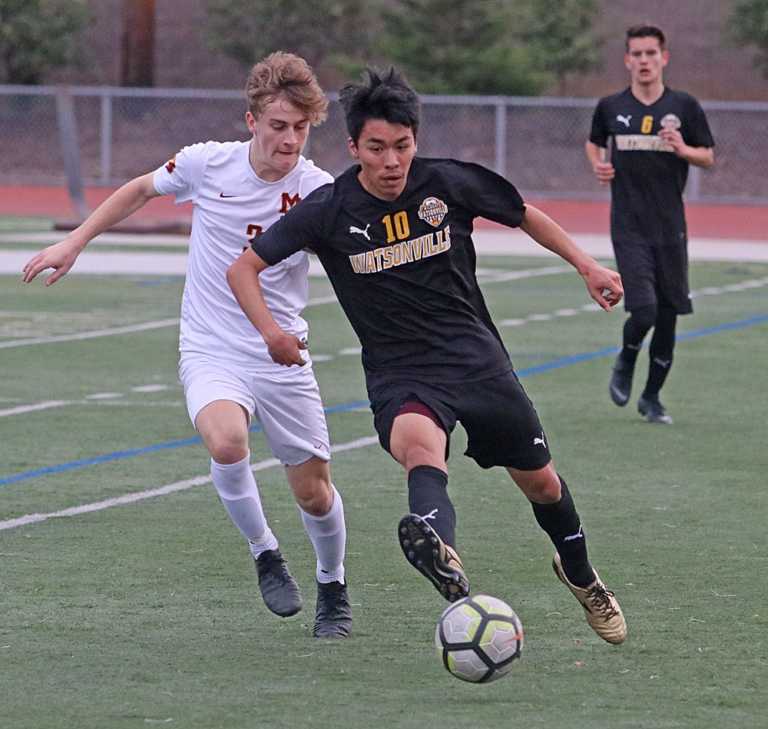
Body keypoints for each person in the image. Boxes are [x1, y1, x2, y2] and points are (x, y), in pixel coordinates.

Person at [227, 67, 628, 644]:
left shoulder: (449, 183)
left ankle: (583, 575)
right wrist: (271, 333)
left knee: (542, 485)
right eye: (376, 148)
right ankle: (442, 550)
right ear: (352, 147)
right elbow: (244, 267)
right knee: (421, 450)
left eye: (402, 146)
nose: (391, 162)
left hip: (477, 361)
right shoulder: (329, 209)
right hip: (401, 372)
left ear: (416, 139)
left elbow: (523, 213)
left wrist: (587, 266)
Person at [21, 52, 352, 639]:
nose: (290, 139)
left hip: (282, 353)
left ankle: (333, 582)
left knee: (316, 493)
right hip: (211, 347)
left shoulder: (318, 190)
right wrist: (76, 241)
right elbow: (139, 189)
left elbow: (351, 264)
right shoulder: (208, 164)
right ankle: (265, 553)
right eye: (279, 126)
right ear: (251, 121)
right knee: (227, 442)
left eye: (301, 129)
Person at [586, 24, 715, 424]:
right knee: (644, 310)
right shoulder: (610, 107)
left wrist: (683, 149)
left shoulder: (685, 107)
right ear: (627, 60)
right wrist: (599, 166)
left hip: (671, 226)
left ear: (664, 58)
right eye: (637, 54)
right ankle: (626, 358)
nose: (644, 61)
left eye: (650, 54)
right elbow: (594, 142)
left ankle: (652, 398)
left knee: (669, 313)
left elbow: (708, 156)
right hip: (628, 225)